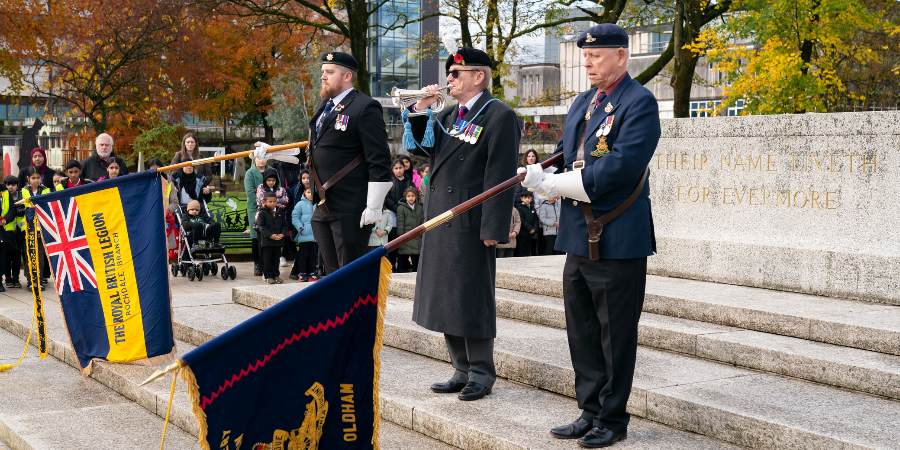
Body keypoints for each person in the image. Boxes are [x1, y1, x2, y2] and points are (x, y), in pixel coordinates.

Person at [519, 24, 660, 448]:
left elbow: (620, 167)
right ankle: (590, 410)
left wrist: (555, 185)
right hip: (580, 234)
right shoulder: (584, 101)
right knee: (581, 329)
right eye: (585, 56)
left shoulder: (639, 103)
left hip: (617, 236)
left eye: (596, 56)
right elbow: (571, 152)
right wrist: (539, 174)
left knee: (614, 334)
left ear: (621, 56)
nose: (588, 62)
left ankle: (613, 419)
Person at [407, 47, 520, 401]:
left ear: (479, 76)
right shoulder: (452, 112)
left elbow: (500, 175)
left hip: (471, 219)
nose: (449, 80)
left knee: (470, 297)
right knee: (444, 297)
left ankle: (482, 371)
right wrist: (421, 110)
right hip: (441, 216)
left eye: (456, 74)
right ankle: (460, 367)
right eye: (449, 74)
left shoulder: (499, 115)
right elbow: (423, 152)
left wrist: (493, 229)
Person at [256, 51, 392, 276]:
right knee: (331, 275)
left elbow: (380, 160)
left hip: (351, 207)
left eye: (329, 72)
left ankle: (356, 312)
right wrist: (272, 152)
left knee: (350, 274)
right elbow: (311, 151)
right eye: (323, 72)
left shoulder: (365, 107)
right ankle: (337, 312)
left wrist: (375, 205)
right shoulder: (324, 107)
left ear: (347, 76)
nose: (323, 77)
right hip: (322, 206)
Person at [21, 168, 51, 288]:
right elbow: (30, 204)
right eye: (33, 178)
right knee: (30, 253)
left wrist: (35, 204)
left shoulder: (46, 189)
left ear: (41, 178)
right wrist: (35, 204)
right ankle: (30, 281)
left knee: (40, 255)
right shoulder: (24, 190)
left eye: (38, 178)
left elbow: (42, 205)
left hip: (41, 228)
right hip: (28, 228)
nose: (35, 180)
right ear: (28, 179)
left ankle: (39, 279)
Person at [256, 192, 286, 284]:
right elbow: (261, 227)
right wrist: (270, 235)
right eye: (270, 201)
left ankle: (276, 275)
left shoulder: (279, 212)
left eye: (274, 201)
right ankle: (268, 276)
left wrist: (282, 234)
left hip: (278, 241)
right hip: (267, 242)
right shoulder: (262, 213)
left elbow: (284, 225)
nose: (273, 203)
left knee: (276, 259)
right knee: (267, 259)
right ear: (265, 202)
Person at [290, 188, 318, 282]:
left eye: (312, 192)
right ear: (304, 193)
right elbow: (295, 217)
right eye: (308, 192)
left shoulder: (318, 204)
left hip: (315, 236)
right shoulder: (300, 204)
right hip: (304, 236)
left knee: (313, 256)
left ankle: (312, 272)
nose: (310, 194)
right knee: (303, 256)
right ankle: (302, 273)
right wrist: (300, 228)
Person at [244, 157, 266, 276]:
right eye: (259, 158)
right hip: (254, 208)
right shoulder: (250, 173)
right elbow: (250, 191)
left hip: (270, 207)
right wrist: (261, 203)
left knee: (267, 235)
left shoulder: (272, 170)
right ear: (254, 159)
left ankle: (267, 262)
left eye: (264, 157)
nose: (262, 160)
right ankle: (257, 263)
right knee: (256, 236)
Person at [394, 187, 424, 273]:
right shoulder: (401, 208)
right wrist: (401, 237)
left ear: (416, 197)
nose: (411, 198)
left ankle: (416, 275)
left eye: (413, 196)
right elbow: (400, 223)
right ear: (405, 197)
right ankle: (401, 273)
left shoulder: (420, 207)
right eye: (408, 196)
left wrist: (421, 235)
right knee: (402, 259)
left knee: (416, 261)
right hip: (405, 238)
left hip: (417, 237)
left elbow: (422, 221)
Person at [3, 177, 21, 288]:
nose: (11, 187)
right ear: (5, 185)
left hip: (19, 232)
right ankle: (8, 278)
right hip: (7, 232)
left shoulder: (22, 195)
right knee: (6, 256)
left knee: (17, 257)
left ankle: (16, 278)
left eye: (13, 184)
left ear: (17, 185)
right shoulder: (3, 196)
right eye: (8, 184)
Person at [514, 189, 538, 257]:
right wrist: (530, 228)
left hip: (531, 234)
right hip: (522, 233)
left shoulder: (532, 208)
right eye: (525, 197)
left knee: (528, 250)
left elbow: (536, 219)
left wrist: (534, 228)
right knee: (521, 251)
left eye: (529, 198)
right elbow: (522, 220)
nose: (527, 199)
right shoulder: (519, 208)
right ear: (521, 198)